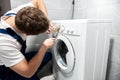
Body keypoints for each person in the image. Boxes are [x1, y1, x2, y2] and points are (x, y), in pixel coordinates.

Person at [0, 0, 55, 80]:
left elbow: (38, 1)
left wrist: (46, 20)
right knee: (31, 75)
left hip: (16, 56)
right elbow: (28, 73)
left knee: (48, 56)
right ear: (28, 34)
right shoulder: (4, 42)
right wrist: (44, 47)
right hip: (6, 69)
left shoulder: (22, 14)